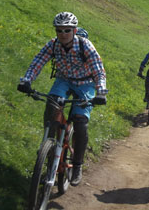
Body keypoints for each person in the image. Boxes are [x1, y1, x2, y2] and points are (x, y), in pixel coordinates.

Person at [17, 12, 108, 186]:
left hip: (85, 83)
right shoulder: (53, 45)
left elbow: (98, 69)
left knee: (81, 122)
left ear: (74, 30)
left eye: (67, 30)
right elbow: (38, 61)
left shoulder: (85, 45)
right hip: (64, 80)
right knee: (51, 105)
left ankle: (78, 165)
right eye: (59, 30)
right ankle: (48, 146)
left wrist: (101, 92)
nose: (63, 33)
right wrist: (27, 80)